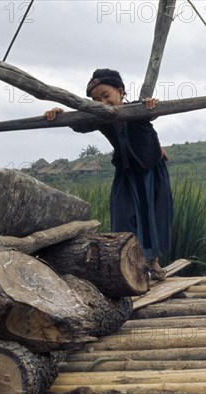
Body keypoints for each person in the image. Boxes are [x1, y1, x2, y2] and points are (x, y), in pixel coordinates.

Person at [44, 68, 173, 280]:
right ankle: (129, 264)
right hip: (126, 171)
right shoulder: (101, 117)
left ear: (120, 92)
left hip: (149, 169)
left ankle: (153, 262)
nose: (103, 102)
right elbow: (80, 124)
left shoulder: (135, 109)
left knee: (151, 215)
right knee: (124, 215)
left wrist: (150, 104)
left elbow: (152, 111)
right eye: (96, 100)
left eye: (106, 96)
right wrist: (60, 114)